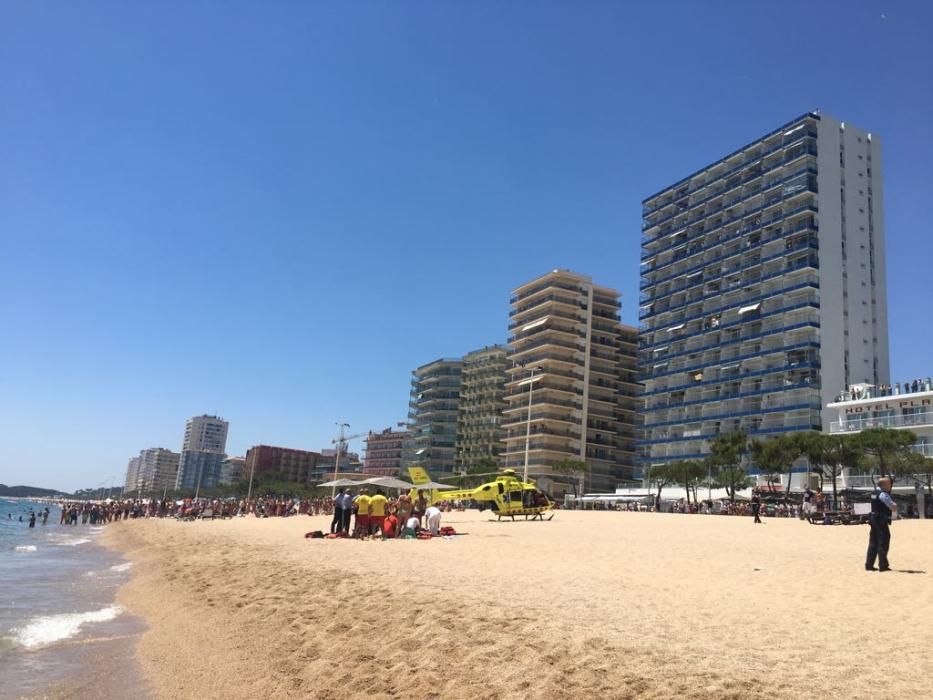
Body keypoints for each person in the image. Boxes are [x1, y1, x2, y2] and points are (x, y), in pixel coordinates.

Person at [866, 477, 897, 572]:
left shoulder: (874, 493)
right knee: (883, 542)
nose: (890, 485)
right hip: (880, 520)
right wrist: (895, 504)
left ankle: (869, 565)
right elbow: (893, 507)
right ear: (883, 485)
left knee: (873, 543)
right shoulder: (883, 494)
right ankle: (883, 565)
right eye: (889, 484)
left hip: (873, 519)